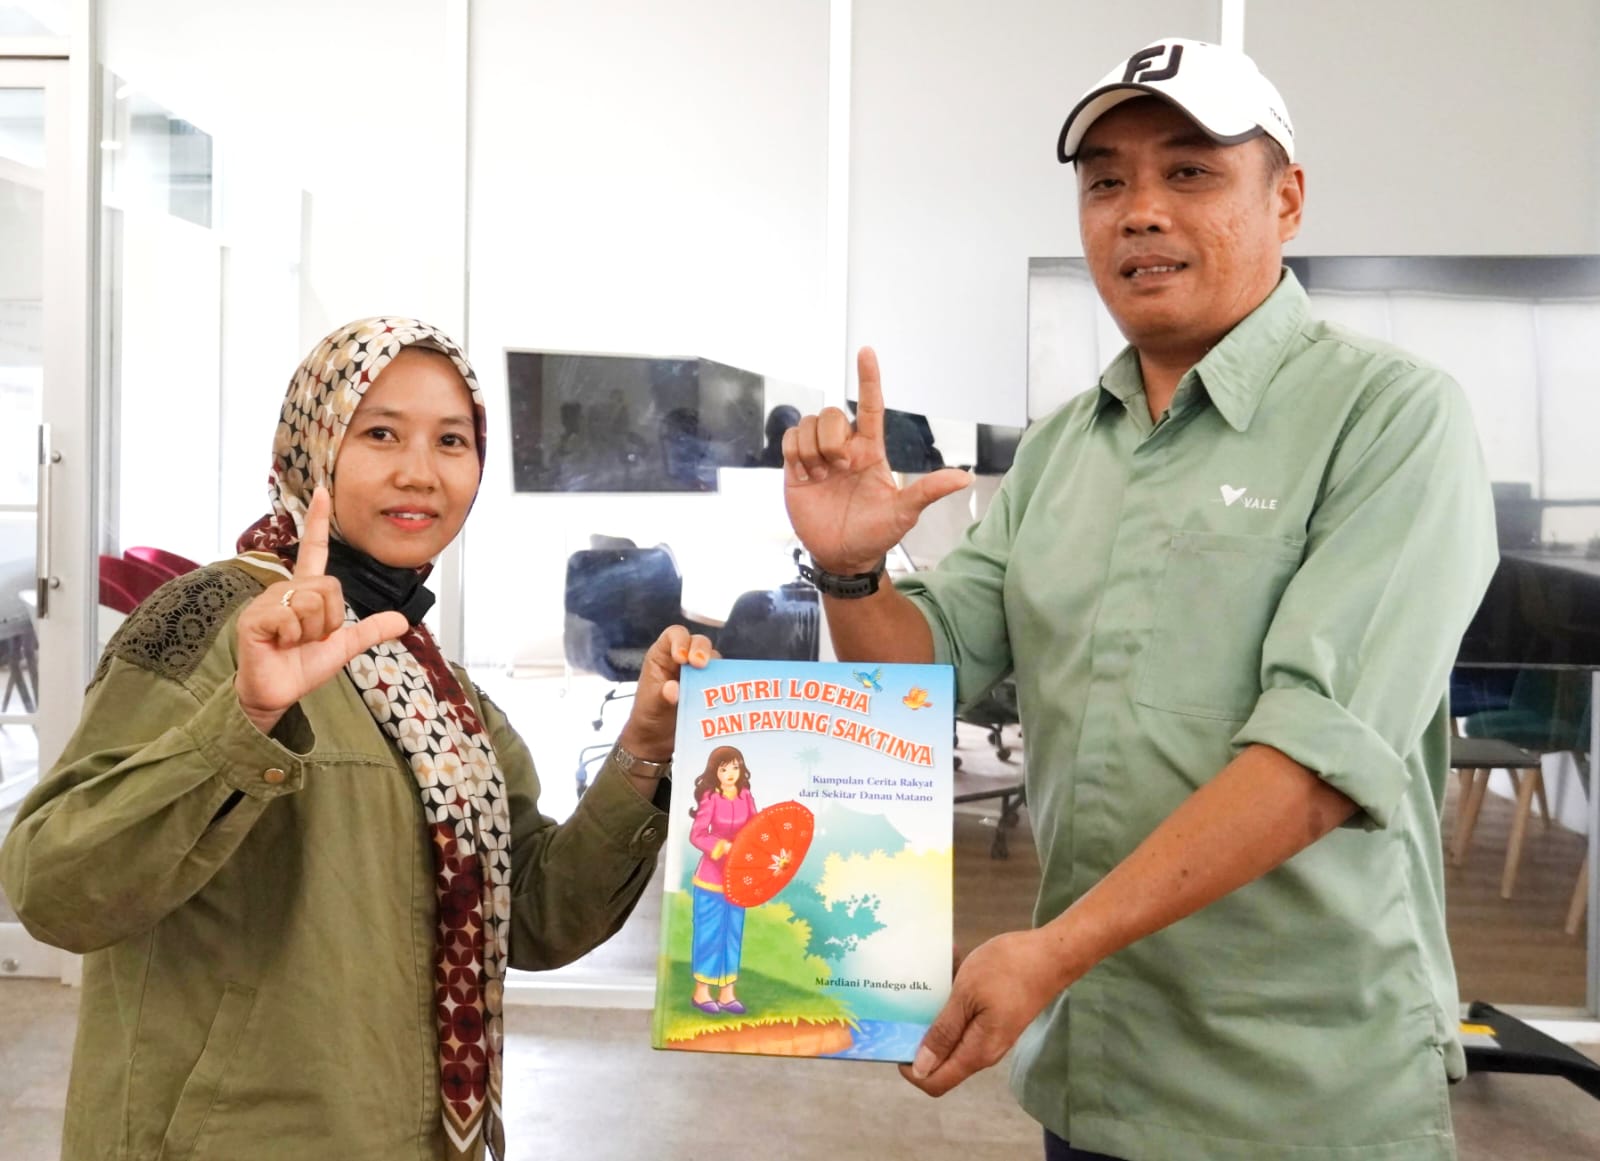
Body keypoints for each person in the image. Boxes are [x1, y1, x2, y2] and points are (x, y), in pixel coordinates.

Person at [782, 37, 1497, 1161]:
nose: (1139, 210)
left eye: (1190, 171)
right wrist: (849, 570)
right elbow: (921, 675)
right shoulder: (1064, 448)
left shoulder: (1391, 418)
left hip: (1298, 1090)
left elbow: (1319, 758)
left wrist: (1053, 950)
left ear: (1286, 199)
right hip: (1096, 1069)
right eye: (1105, 181)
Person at [0, 316, 714, 1161]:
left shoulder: (441, 689)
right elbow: (54, 888)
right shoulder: (211, 619)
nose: (420, 471)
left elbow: (536, 915)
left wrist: (645, 745)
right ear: (314, 445)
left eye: (451, 440)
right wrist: (244, 721)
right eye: (380, 433)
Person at [687, 744, 757, 1013]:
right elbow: (697, 834)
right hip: (711, 877)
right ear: (714, 772)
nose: (730, 773)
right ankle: (701, 992)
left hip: (738, 875)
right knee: (709, 932)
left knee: (732, 932)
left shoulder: (745, 797)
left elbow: (755, 828)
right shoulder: (711, 798)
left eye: (735, 767)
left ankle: (727, 993)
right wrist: (722, 846)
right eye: (724, 768)